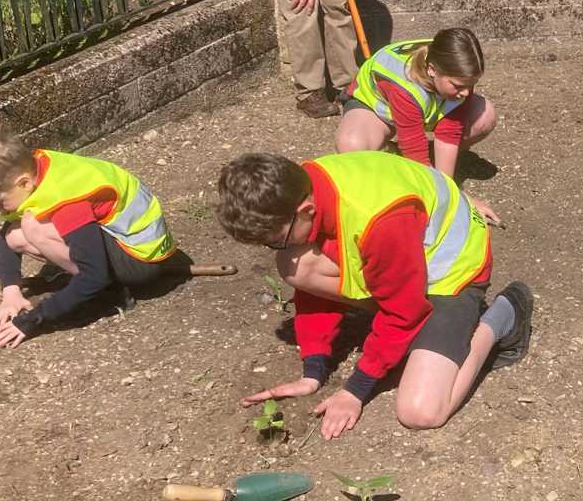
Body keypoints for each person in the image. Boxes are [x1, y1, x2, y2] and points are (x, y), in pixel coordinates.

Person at [215, 151, 533, 439]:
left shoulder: (381, 222)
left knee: (420, 411)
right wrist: (313, 368)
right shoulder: (305, 181)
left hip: (453, 277)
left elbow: (404, 312)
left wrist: (356, 389)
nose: (275, 248)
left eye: (274, 240)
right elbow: (311, 284)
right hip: (406, 261)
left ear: (305, 210)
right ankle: (411, 337)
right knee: (295, 263)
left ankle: (505, 314)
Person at [0, 124, 188, 348]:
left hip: (140, 259)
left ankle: (112, 294)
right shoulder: (35, 167)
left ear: (24, 182)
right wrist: (10, 292)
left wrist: (33, 320)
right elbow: (6, 237)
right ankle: (97, 281)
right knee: (15, 235)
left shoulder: (66, 200)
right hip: (130, 242)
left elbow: (93, 275)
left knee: (32, 226)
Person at [335, 28, 501, 218]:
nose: (466, 92)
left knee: (485, 114)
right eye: (458, 86)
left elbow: (449, 134)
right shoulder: (403, 84)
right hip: (377, 109)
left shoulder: (455, 68)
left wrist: (450, 195)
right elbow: (415, 151)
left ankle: (415, 163)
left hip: (425, 107)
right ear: (432, 70)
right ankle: (393, 157)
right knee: (351, 144)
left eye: (471, 84)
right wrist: (457, 200)